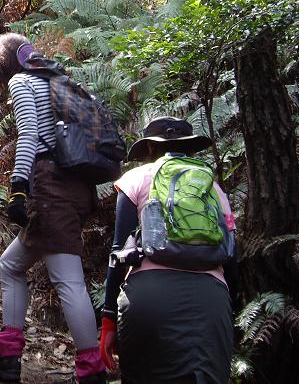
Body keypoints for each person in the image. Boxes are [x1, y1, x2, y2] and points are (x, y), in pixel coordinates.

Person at [0, 33, 106, 384]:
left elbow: (29, 134)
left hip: (51, 189)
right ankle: (7, 355)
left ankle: (91, 371)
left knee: (67, 280)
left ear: (2, 64)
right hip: (78, 187)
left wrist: (17, 187)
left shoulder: (22, 81)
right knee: (11, 265)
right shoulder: (58, 80)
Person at [99, 117, 237, 384]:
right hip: (210, 302)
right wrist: (228, 309)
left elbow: (119, 250)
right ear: (190, 148)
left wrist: (108, 318)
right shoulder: (213, 188)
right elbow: (232, 258)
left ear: (150, 148)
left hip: (147, 298)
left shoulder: (135, 178)